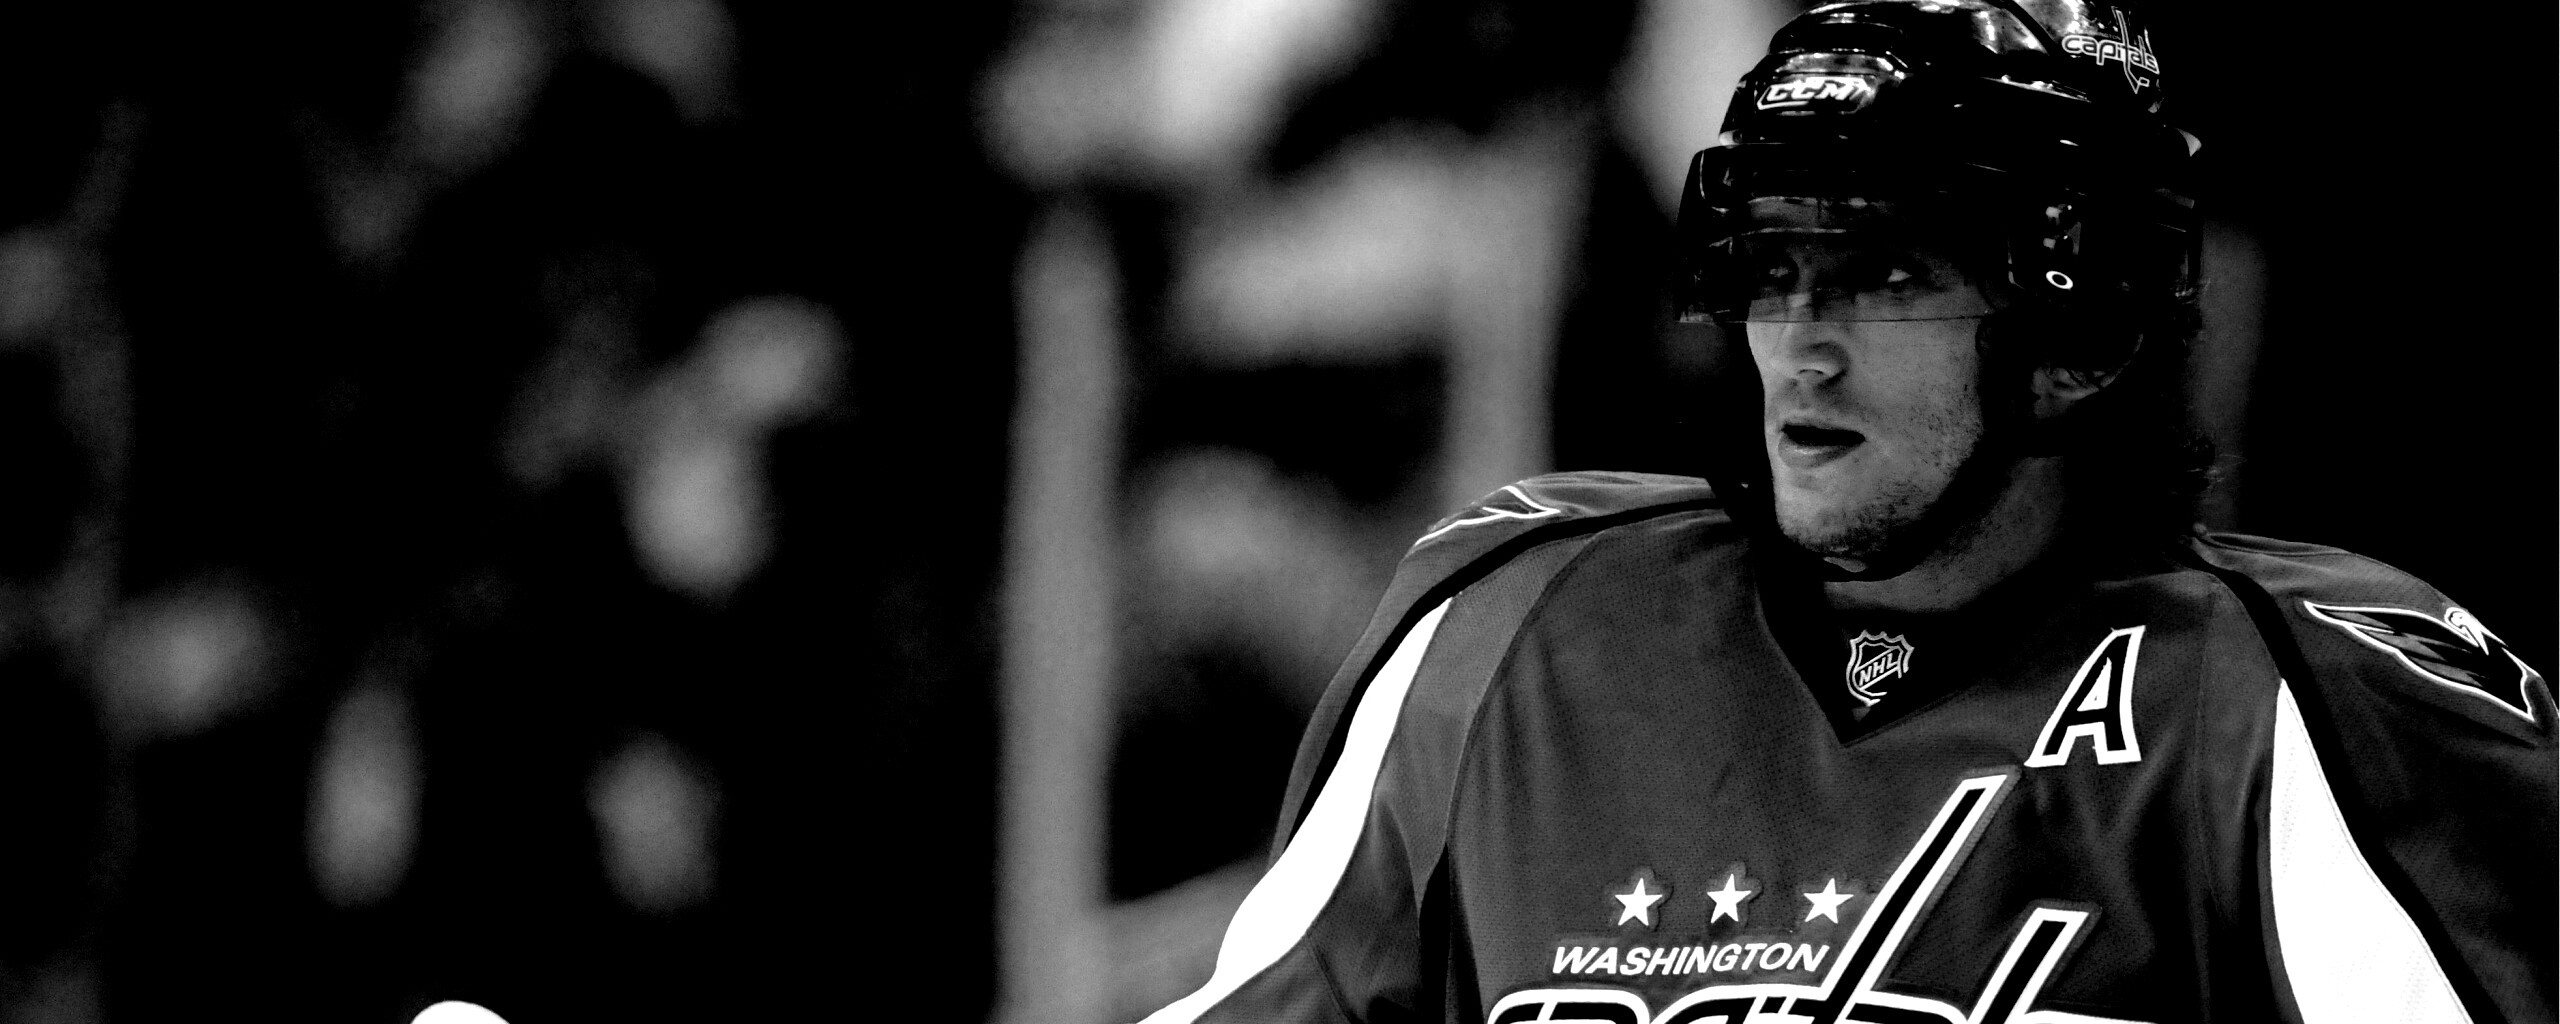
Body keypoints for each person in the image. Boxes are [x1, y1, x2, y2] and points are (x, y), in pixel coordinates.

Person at [1137, 1, 2555, 1022]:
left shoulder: (2305, 694)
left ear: (2081, 331)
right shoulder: (1507, 625)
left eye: (1886, 279)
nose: (1801, 347)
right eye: (1775, 268)